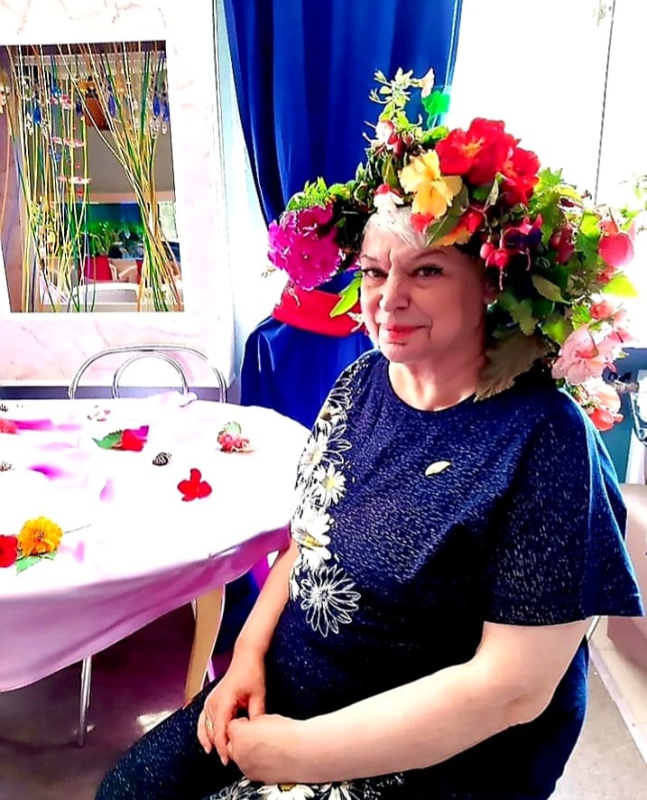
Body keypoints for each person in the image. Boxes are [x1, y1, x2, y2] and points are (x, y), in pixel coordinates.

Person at [96, 71, 644, 800]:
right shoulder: (361, 383)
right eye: (376, 272)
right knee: (126, 791)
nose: (389, 299)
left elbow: (512, 689)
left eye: (427, 270)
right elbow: (307, 542)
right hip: (292, 683)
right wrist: (246, 658)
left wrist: (297, 753)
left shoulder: (542, 439)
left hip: (426, 752)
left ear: (491, 283)